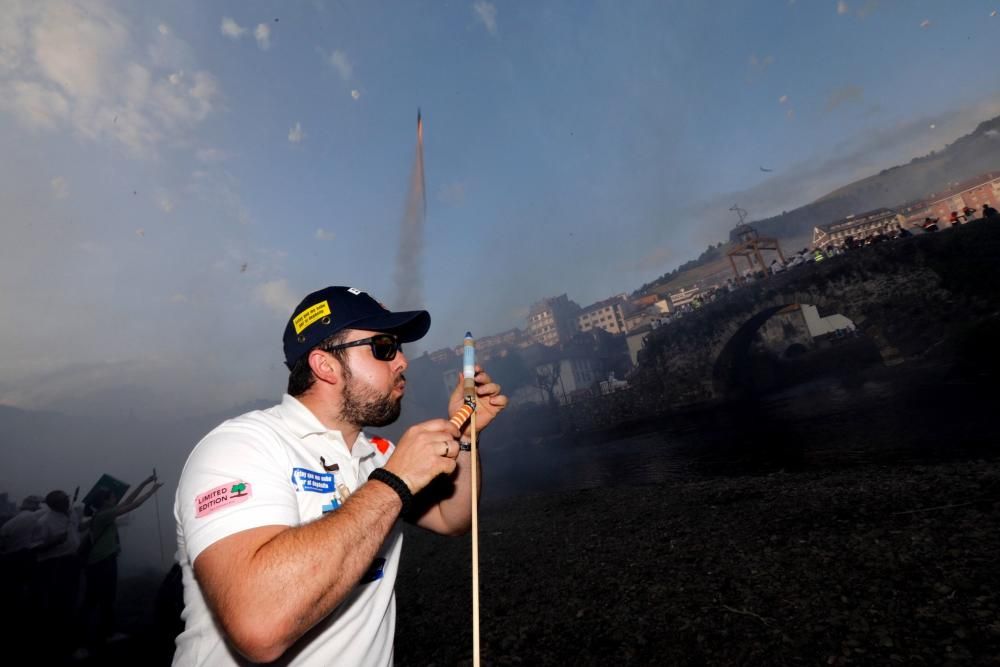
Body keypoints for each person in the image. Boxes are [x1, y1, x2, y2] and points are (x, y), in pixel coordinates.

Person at [172, 286, 507, 666]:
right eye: (383, 347)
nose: (402, 361)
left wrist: (464, 438)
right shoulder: (240, 446)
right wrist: (393, 484)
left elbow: (454, 519)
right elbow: (258, 625)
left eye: (398, 347)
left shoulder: (377, 454)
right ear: (325, 365)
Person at [78, 474, 163, 656]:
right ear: (106, 501)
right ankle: (97, 636)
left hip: (98, 561)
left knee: (95, 599)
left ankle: (90, 634)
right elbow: (134, 504)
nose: (116, 497)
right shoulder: (105, 515)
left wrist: (145, 482)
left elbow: (129, 501)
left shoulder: (102, 513)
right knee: (103, 598)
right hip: (103, 562)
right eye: (112, 496)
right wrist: (153, 491)